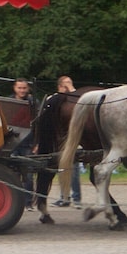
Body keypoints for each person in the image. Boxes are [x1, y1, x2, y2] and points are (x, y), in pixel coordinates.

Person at [51, 75, 84, 209]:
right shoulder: (54, 99)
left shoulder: (76, 99)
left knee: (74, 170)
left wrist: (71, 91)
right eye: (66, 85)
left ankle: (76, 198)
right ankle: (64, 197)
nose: (69, 87)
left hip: (74, 140)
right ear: (60, 87)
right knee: (62, 170)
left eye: (71, 84)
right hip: (60, 141)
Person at [10, 78, 38, 210]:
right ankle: (14, 202)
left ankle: (28, 203)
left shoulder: (33, 103)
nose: (22, 90)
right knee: (12, 174)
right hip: (12, 142)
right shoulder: (9, 102)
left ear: (28, 89)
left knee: (28, 175)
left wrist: (36, 143)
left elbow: (38, 124)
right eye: (19, 88)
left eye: (24, 88)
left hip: (28, 143)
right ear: (14, 88)